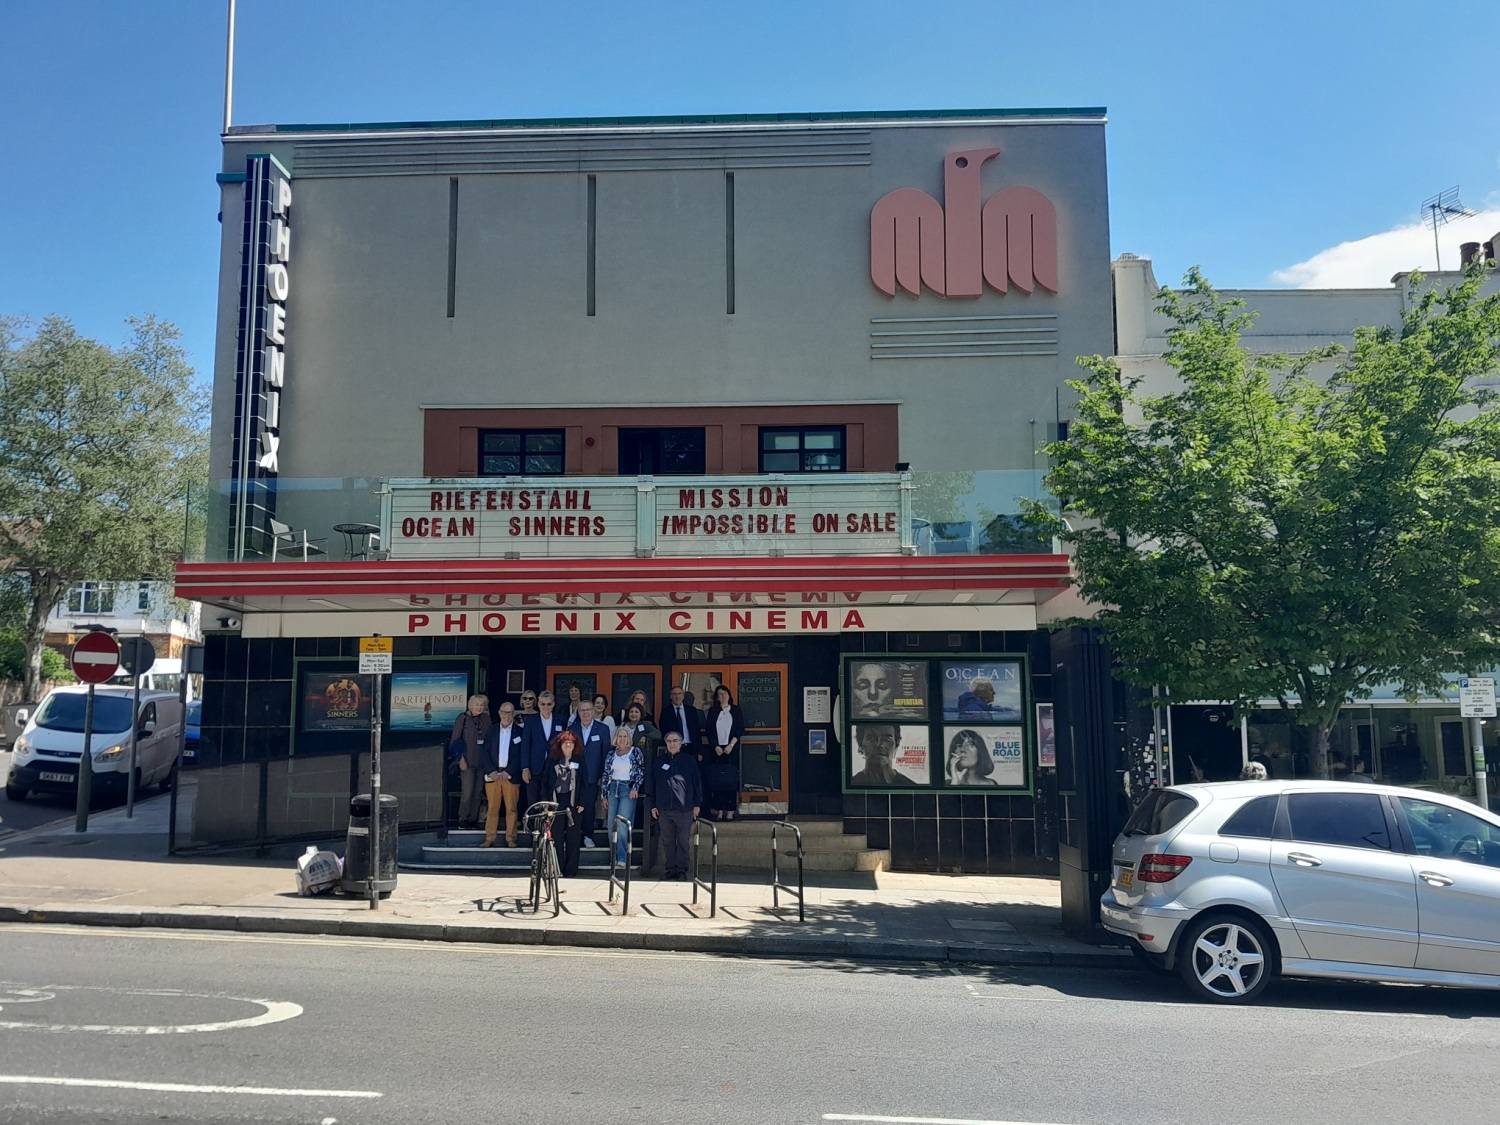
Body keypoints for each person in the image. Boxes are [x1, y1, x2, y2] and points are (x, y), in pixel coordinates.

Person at [651, 732, 701, 880]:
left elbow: (697, 783)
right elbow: (653, 784)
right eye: (669, 741)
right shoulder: (659, 762)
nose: (672, 744)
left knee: (683, 841)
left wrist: (697, 804)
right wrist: (653, 805)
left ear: (681, 743)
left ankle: (681, 870)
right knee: (667, 841)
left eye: (675, 741)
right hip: (664, 808)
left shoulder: (689, 761)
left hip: (684, 808)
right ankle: (670, 869)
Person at [539, 730, 586, 877]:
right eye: (565, 742)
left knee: (573, 837)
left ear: (575, 745)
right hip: (556, 802)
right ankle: (557, 869)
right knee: (557, 836)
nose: (568, 745)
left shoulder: (580, 761)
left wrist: (583, 803)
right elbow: (545, 783)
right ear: (560, 745)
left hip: (574, 803)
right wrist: (546, 804)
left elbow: (585, 783)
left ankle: (571, 871)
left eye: (570, 743)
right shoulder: (552, 760)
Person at [479, 701, 523, 848]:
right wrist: (491, 771)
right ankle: (489, 838)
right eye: (504, 712)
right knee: (492, 809)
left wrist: (509, 771)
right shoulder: (491, 730)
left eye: (509, 713)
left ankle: (511, 838)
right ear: (499, 713)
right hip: (493, 776)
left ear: (513, 714)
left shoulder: (520, 731)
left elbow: (521, 755)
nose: (506, 715)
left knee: (511, 809)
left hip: (510, 776)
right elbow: (484, 752)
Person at [567, 699, 609, 847]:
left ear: (593, 711)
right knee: (573, 805)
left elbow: (605, 754)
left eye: (588, 710)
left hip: (593, 775)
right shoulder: (572, 729)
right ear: (578, 712)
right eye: (582, 710)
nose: (585, 713)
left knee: (589, 807)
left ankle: (587, 835)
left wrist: (603, 775)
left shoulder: (603, 729)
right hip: (574, 775)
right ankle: (573, 835)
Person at [603, 728, 644, 867]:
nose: (622, 739)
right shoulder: (611, 753)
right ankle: (613, 857)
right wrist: (604, 795)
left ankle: (622, 857)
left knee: (622, 824)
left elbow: (640, 771)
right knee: (611, 824)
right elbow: (606, 774)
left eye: (625, 736)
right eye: (619, 736)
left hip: (628, 788)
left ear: (629, 738)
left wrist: (635, 787)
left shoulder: (635, 752)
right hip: (612, 788)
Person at [451, 694, 493, 829]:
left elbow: (490, 739)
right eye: (477, 704)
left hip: (482, 761)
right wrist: (460, 759)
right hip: (467, 760)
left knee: (478, 792)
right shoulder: (462, 718)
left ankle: (472, 819)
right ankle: (463, 818)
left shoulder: (486, 719)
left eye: (482, 705)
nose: (479, 707)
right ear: (470, 706)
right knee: (467, 791)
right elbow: (455, 740)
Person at [519, 690, 564, 817]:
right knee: (533, 800)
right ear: (538, 704)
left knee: (551, 799)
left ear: (553, 704)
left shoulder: (561, 720)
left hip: (554, 766)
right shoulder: (531, 721)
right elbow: (525, 745)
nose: (546, 707)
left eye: (548, 704)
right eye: (543, 704)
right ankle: (533, 827)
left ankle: (549, 826)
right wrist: (525, 768)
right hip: (534, 767)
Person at [705, 684, 745, 820]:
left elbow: (740, 728)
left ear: (729, 695)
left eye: (725, 694)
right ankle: (718, 810)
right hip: (716, 750)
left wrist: (731, 745)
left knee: (730, 780)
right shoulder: (713, 711)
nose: (722, 696)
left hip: (731, 749)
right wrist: (715, 746)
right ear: (717, 697)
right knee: (717, 780)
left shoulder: (736, 710)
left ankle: (730, 810)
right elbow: (709, 730)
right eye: (720, 694)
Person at [660, 684, 704, 752]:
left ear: (683, 696)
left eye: (679, 694)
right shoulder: (666, 712)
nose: (677, 696)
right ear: (671, 697)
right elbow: (664, 730)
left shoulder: (691, 710)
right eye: (675, 694)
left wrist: (700, 751)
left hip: (691, 747)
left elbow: (697, 731)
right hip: (675, 748)